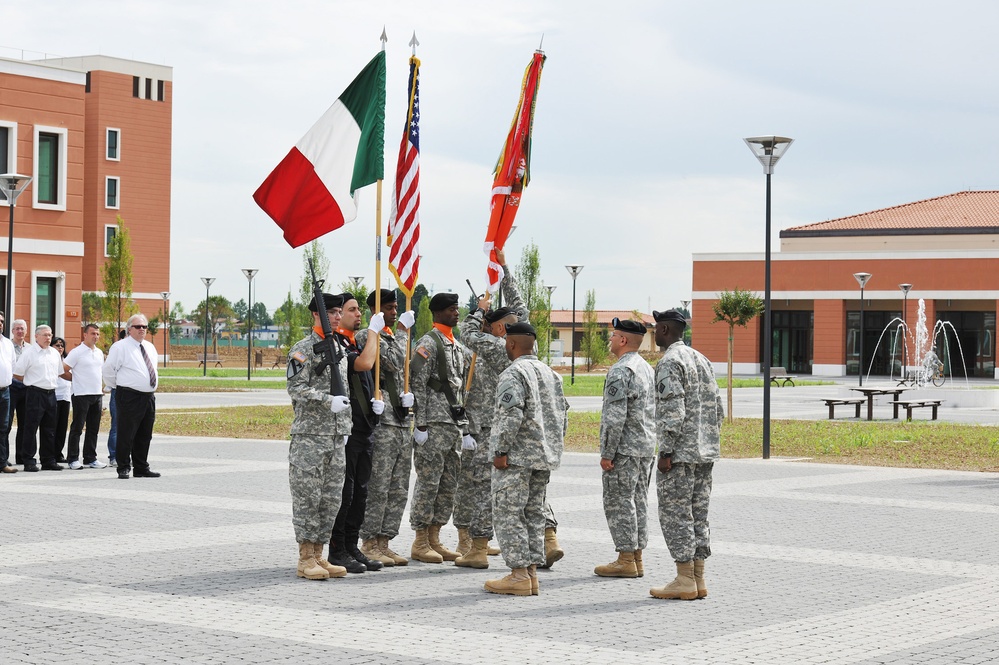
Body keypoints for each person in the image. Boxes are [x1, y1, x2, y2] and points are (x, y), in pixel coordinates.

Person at [485, 322, 568, 596]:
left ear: (510, 344)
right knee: (534, 514)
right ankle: (531, 573)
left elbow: (511, 415)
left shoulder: (513, 373)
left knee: (509, 513)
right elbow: (562, 417)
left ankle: (519, 573)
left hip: (516, 458)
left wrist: (500, 450)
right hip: (542, 457)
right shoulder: (551, 374)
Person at [453, 252, 525, 568]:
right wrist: (504, 267)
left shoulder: (497, 346)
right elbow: (518, 307)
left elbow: (466, 334)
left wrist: (478, 312)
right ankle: (546, 541)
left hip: (492, 427)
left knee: (483, 484)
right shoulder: (524, 342)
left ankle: (477, 547)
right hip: (513, 427)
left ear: (497, 329)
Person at [649, 309, 723, 601]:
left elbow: (672, 411)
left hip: (679, 453)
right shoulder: (701, 359)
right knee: (698, 515)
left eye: (656, 328)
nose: (654, 334)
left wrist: (666, 449)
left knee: (676, 515)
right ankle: (698, 579)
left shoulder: (670, 362)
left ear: (665, 329)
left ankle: (683, 579)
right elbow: (719, 407)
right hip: (704, 451)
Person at [286, 292, 351, 581]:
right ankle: (305, 558)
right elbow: (296, 389)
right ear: (317, 315)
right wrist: (328, 401)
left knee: (330, 499)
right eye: (332, 312)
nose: (337, 316)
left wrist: (345, 424)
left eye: (339, 311)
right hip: (310, 437)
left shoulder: (339, 346)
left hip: (336, 435)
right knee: (308, 498)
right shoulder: (303, 349)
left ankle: (320, 556)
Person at [409, 292, 472, 563]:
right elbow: (417, 383)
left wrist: (465, 428)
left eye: (457, 309)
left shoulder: (455, 344)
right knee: (428, 483)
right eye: (451, 309)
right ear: (437, 313)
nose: (456, 313)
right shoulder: (429, 343)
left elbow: (459, 390)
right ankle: (420, 540)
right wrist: (420, 423)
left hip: (452, 426)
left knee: (448, 485)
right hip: (433, 425)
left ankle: (435, 536)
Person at [325, 291, 384, 574]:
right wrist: (374, 331)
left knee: (361, 492)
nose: (357, 314)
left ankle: (351, 545)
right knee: (345, 493)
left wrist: (379, 399)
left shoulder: (352, 341)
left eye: (359, 309)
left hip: (365, 426)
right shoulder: (335, 343)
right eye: (351, 310)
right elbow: (364, 364)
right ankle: (337, 548)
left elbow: (371, 376)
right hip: (347, 429)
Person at [357, 289, 416, 567]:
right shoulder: (368, 336)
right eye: (390, 308)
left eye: (396, 308)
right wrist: (404, 330)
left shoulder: (391, 336)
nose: (394, 312)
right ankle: (369, 542)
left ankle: (385, 540)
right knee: (379, 485)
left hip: (402, 419)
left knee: (398, 487)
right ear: (375, 310)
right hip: (383, 422)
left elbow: (405, 368)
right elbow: (393, 361)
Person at [594, 318, 656, 579]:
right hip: (644, 446)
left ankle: (626, 558)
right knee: (638, 501)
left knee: (619, 502)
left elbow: (615, 417)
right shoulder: (646, 368)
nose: (609, 340)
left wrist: (608, 452)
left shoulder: (621, 370)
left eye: (612, 336)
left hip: (625, 448)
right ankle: (637, 556)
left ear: (622, 340)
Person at [102, 314, 160, 480]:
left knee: (145, 433)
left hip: (148, 396)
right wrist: (117, 386)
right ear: (129, 329)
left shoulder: (149, 347)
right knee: (126, 432)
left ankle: (141, 466)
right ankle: (123, 467)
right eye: (138, 326)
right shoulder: (120, 347)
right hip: (129, 395)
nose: (142, 329)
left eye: (144, 327)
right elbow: (108, 370)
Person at [13, 325, 64, 471]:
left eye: (50, 335)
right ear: (36, 336)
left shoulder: (54, 353)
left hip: (51, 393)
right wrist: (31, 382)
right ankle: (28, 460)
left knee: (49, 429)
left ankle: (48, 460)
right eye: (45, 335)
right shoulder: (29, 353)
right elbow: (18, 373)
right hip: (35, 393)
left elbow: (59, 372)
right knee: (31, 428)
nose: (48, 338)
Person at [64, 324, 107, 469]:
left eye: (97, 334)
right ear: (85, 335)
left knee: (93, 428)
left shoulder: (100, 353)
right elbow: (62, 370)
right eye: (93, 333)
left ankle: (90, 457)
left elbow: (98, 372)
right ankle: (72, 458)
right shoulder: (77, 352)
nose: (96, 336)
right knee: (77, 427)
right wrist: (75, 379)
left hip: (97, 395)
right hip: (81, 394)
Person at [6, 319, 28, 465]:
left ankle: (21, 456)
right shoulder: (7, 346)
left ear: (26, 331)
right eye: (17, 329)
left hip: (26, 388)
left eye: (22, 329)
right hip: (11, 387)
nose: (20, 331)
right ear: (13, 331)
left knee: (25, 424)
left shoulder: (31, 348)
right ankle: (4, 457)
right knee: (6, 424)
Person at [0, 312, 18, 474]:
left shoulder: (7, 343)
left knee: (3, 427)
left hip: (5, 391)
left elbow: (12, 365)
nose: (0, 324)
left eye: (1, 321)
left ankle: (2, 463)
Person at [52, 337, 72, 463]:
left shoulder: (66, 360)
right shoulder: (51, 359)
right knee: (52, 426)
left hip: (65, 396)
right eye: (57, 345)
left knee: (62, 427)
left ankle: (58, 453)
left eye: (62, 346)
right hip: (54, 395)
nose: (60, 348)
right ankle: (51, 453)